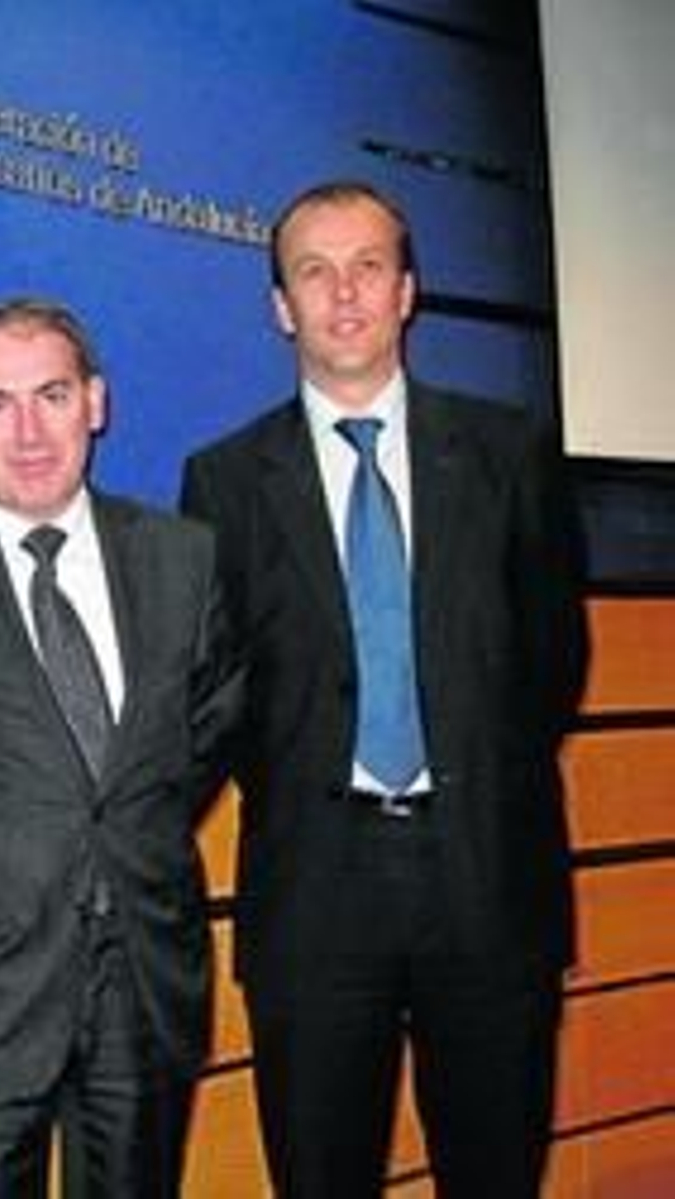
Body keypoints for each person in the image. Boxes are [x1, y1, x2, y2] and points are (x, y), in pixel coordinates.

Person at [179, 179, 586, 1197]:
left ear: (407, 291)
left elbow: (553, 662)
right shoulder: (223, 481)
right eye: (314, 272)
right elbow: (219, 696)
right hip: (315, 894)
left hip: (487, 878)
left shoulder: (508, 452)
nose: (345, 294)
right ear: (282, 307)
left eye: (368, 267)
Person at [0, 297, 243, 1198]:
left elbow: (202, 734)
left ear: (96, 401)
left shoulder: (185, 559)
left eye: (52, 394)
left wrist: (118, 836)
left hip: (144, 991)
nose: (29, 430)